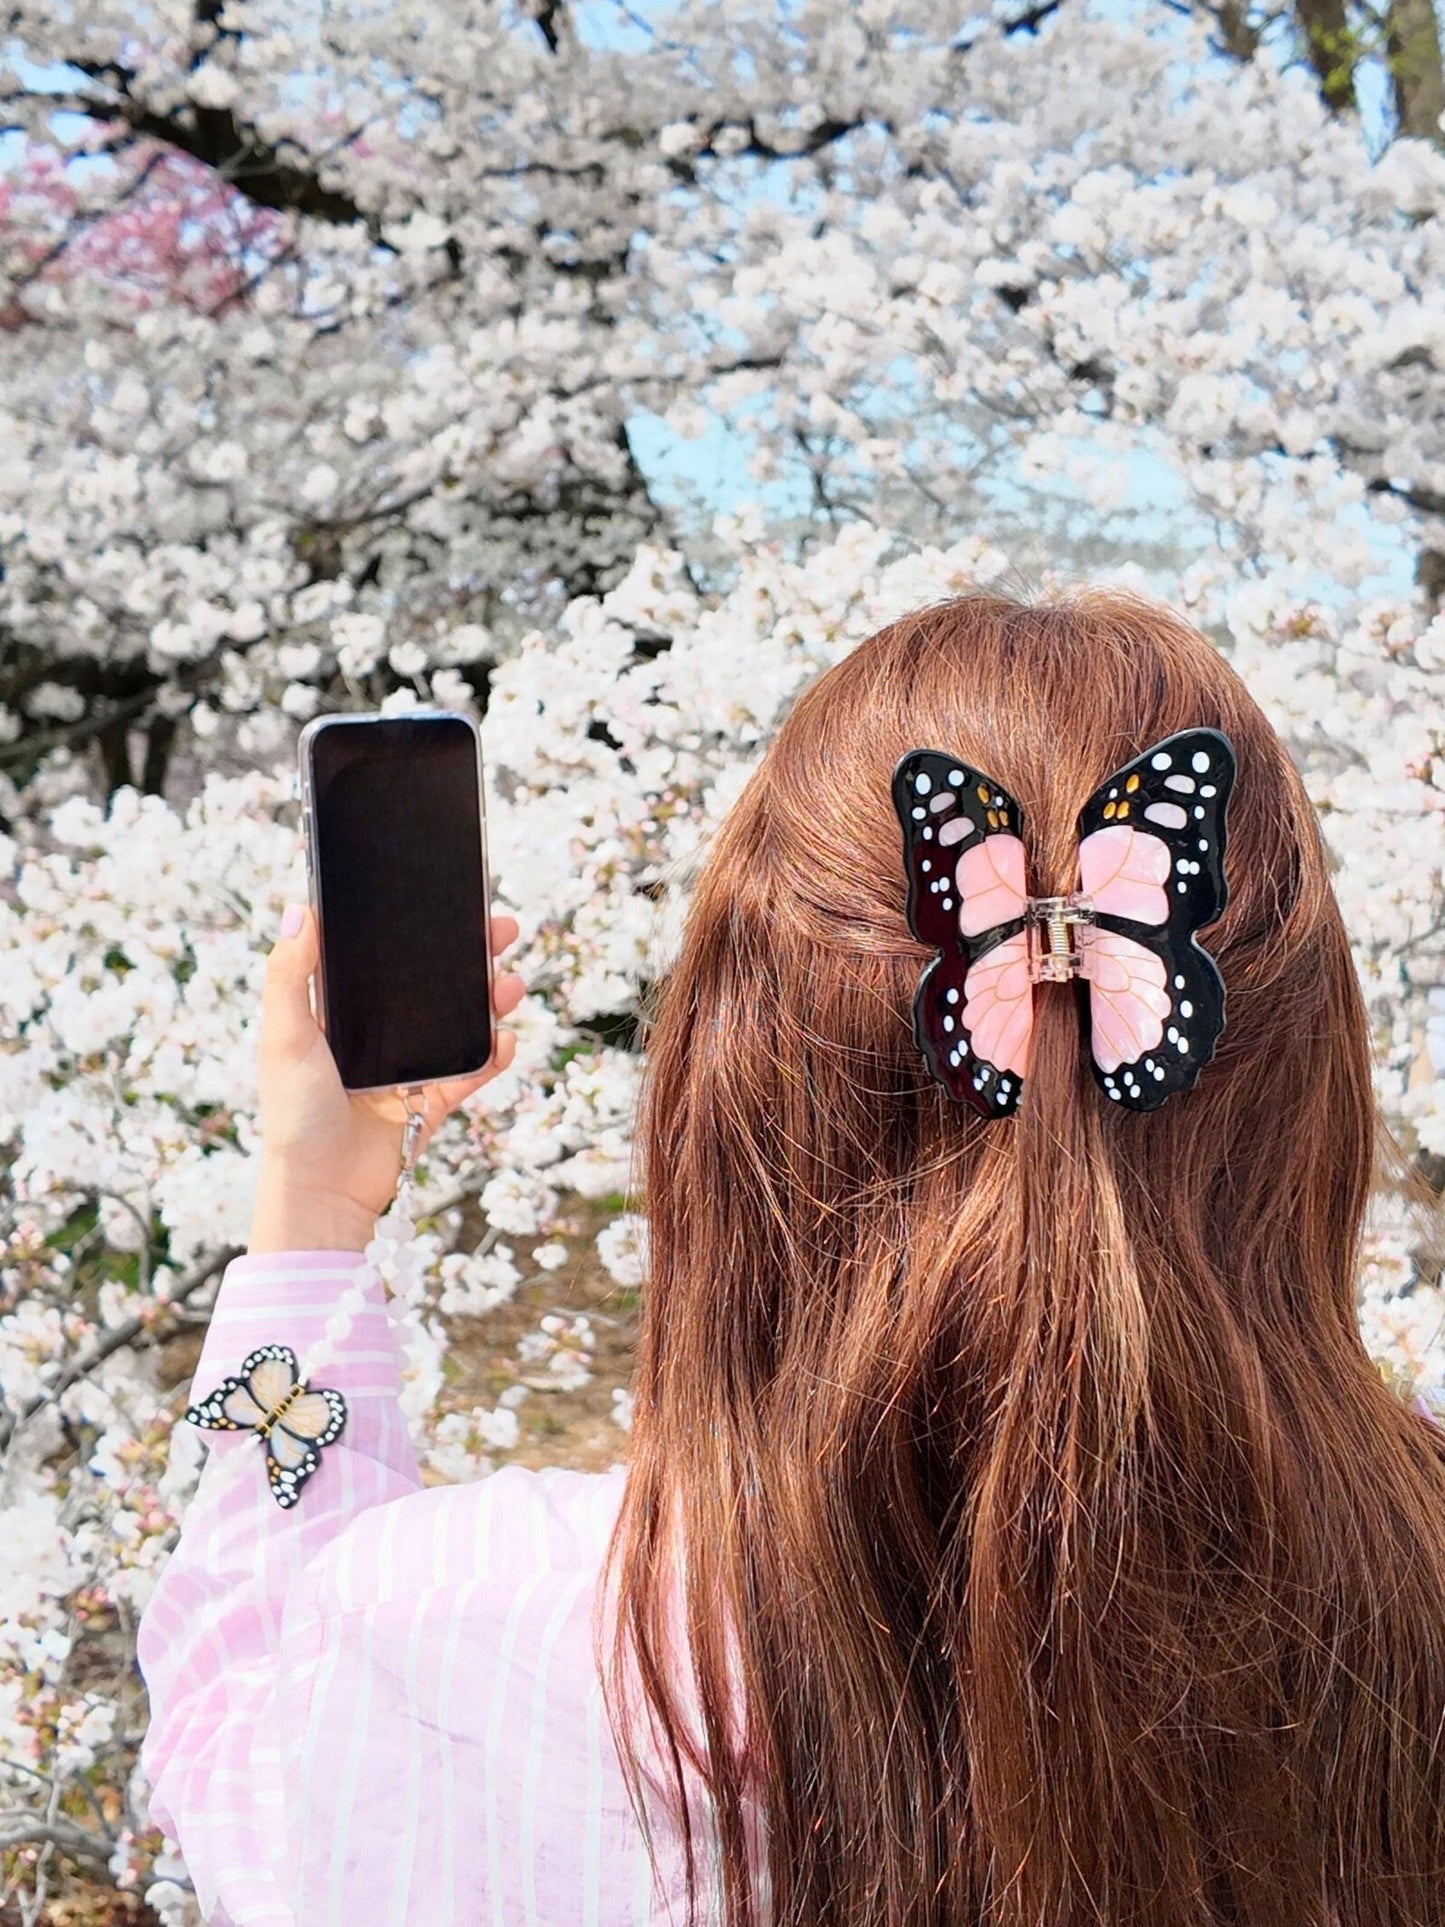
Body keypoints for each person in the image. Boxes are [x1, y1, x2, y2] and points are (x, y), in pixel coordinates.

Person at [136, 589, 1445, 1927]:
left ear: (731, 1069)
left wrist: (312, 1204)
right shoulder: (1407, 1584)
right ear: (1304, 1082)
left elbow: (230, 1712)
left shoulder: (454, 1626)